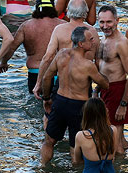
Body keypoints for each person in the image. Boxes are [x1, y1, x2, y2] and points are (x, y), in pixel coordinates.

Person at [39, 26, 109, 165]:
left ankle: (43, 167)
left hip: (59, 102)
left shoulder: (61, 55)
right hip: (78, 107)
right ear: (81, 44)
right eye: (90, 39)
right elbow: (105, 84)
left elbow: (47, 78)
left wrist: (46, 98)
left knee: (49, 141)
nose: (94, 41)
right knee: (76, 147)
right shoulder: (87, 65)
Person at [33, 0, 100, 100]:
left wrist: (38, 83)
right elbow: (98, 62)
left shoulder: (59, 30)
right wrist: (98, 88)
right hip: (84, 85)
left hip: (63, 84)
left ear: (68, 11)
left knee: (53, 114)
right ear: (86, 11)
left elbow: (48, 57)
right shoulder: (92, 32)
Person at [0, 0, 65, 94]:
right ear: (53, 7)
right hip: (59, 73)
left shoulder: (27, 26)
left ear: (37, 7)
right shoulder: (63, 25)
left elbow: (12, 48)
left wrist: (4, 62)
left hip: (35, 72)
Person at [95, 5, 128, 154]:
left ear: (117, 21)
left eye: (109, 22)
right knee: (118, 138)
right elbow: (103, 69)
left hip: (118, 91)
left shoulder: (121, 43)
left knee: (114, 142)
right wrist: (97, 90)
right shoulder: (104, 41)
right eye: (101, 22)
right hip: (106, 90)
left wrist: (123, 104)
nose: (105, 26)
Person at [72, 97, 120, 173]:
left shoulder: (81, 136)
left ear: (87, 114)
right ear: (104, 113)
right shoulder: (113, 131)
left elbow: (77, 161)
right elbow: (113, 157)